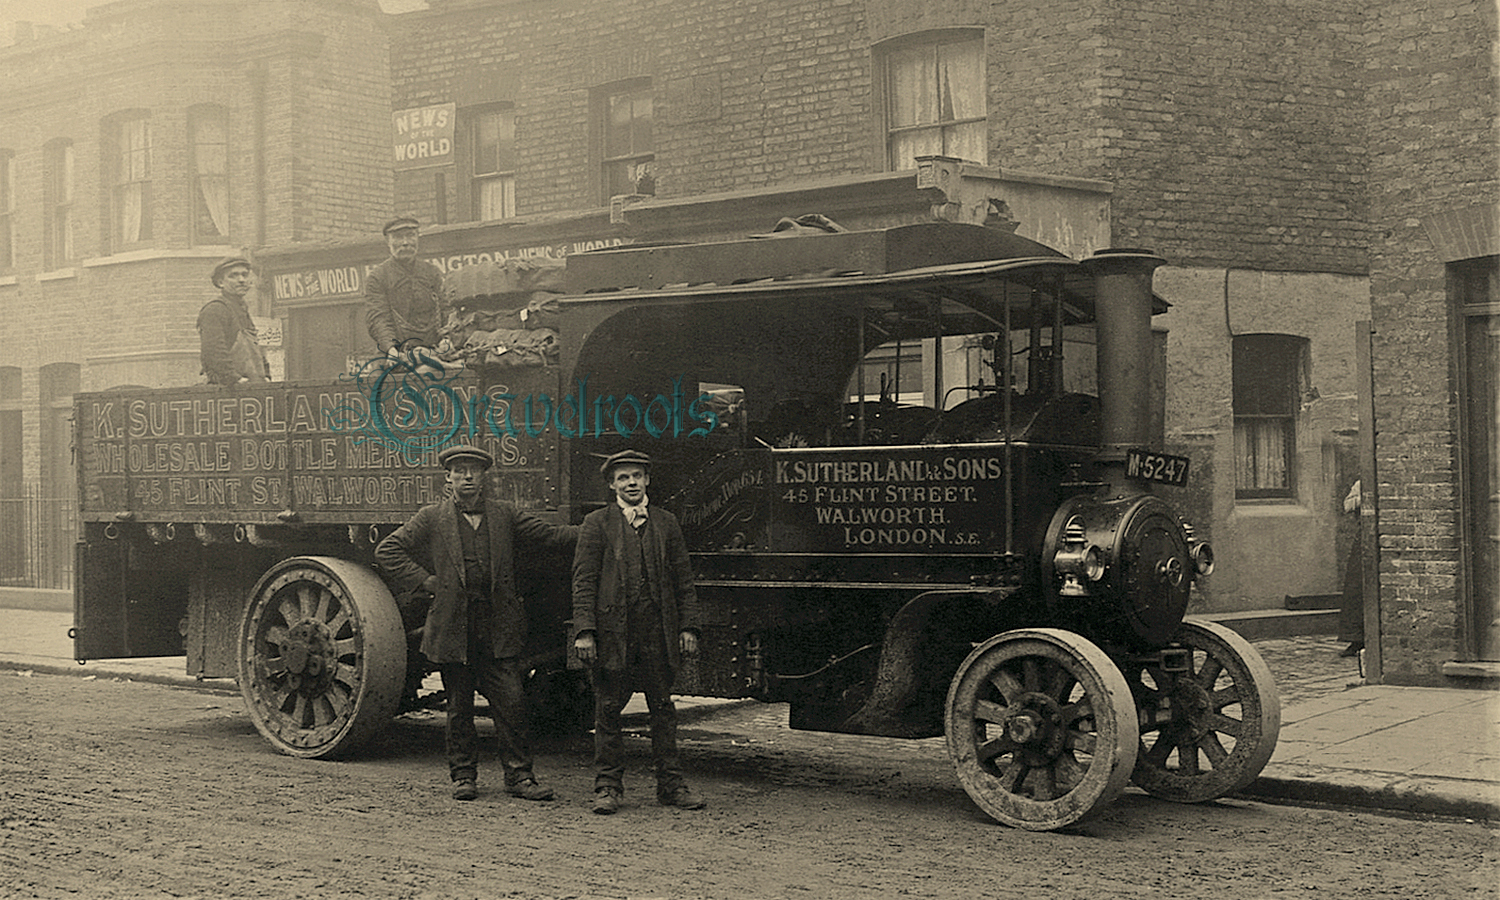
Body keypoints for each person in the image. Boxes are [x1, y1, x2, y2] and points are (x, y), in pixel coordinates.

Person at [376, 444, 577, 802]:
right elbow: (388, 550)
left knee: (512, 703)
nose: (467, 476)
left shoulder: (505, 514)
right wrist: (425, 581)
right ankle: (463, 777)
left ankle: (519, 778)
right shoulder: (432, 516)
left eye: (474, 470)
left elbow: (551, 536)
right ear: (448, 477)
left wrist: (597, 527)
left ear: (485, 476)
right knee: (459, 707)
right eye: (460, 470)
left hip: (497, 624)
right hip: (454, 627)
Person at [572, 449, 706, 814]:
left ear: (647, 480)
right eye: (623, 478)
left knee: (662, 711)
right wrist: (585, 631)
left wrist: (688, 626)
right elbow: (583, 582)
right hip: (614, 636)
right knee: (608, 711)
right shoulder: (596, 523)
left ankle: (671, 786)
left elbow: (683, 581)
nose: (631, 483)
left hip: (657, 635)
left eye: (637, 476)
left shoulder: (666, 522)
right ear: (611, 485)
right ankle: (608, 789)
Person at [365, 216, 445, 362]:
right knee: (378, 382)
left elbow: (447, 308)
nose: (405, 243)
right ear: (387, 241)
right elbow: (378, 317)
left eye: (410, 236)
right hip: (395, 352)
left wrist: (447, 338)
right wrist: (391, 348)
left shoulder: (433, 273)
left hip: (434, 350)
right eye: (398, 237)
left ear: (418, 238)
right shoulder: (378, 277)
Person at [197, 256, 269, 385]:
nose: (241, 280)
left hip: (253, 385)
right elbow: (213, 352)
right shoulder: (215, 310)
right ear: (220, 282)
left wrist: (266, 375)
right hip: (230, 389)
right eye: (233, 276)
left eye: (245, 275)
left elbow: (256, 348)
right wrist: (235, 379)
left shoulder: (242, 310)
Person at [1338, 479, 1366, 658]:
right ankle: (1356, 639)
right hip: (1364, 538)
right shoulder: (1361, 483)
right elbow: (1347, 505)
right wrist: (1362, 498)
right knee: (1356, 587)